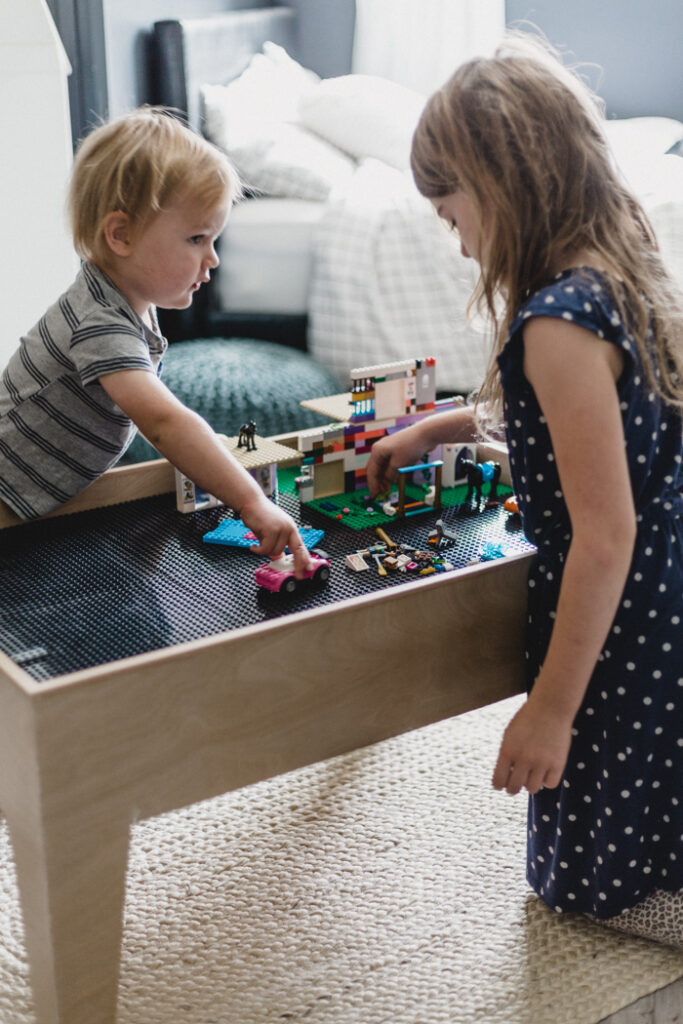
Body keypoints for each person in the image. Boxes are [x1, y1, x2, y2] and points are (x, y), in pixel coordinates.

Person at [366, 34, 683, 948]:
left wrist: (550, 705)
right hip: (663, 577)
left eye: (450, 210)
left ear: (502, 182)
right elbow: (584, 430)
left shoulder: (556, 323)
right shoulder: (616, 266)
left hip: (621, 608)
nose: (453, 237)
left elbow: (604, 533)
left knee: (580, 889)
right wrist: (435, 426)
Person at [0, 107, 311, 576]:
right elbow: (164, 422)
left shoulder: (129, 303)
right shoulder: (98, 322)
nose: (213, 260)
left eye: (214, 239)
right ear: (121, 235)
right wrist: (251, 501)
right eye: (195, 239)